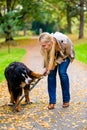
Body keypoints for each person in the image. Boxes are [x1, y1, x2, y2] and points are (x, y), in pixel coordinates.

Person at [38, 32, 75, 109]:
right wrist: (47, 68)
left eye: (44, 45)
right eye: (42, 45)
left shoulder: (64, 41)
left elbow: (66, 54)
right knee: (51, 75)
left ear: (49, 42)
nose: (43, 47)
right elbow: (47, 58)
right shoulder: (46, 47)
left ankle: (66, 100)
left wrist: (53, 64)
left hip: (65, 55)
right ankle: (52, 101)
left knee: (62, 73)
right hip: (54, 57)